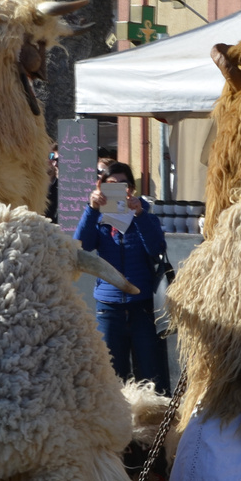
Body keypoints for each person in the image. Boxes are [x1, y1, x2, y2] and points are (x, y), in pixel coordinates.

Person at [75, 161, 169, 394]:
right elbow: (81, 246)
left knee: (150, 372)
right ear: (102, 187)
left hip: (143, 307)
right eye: (111, 185)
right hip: (109, 308)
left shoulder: (144, 215)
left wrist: (139, 215)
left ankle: (152, 423)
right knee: (110, 374)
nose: (119, 189)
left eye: (123, 184)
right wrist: (91, 209)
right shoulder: (97, 219)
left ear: (131, 189)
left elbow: (156, 248)